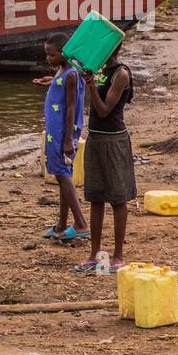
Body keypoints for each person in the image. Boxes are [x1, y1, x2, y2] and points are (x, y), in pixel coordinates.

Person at [75, 43, 136, 274]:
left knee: (118, 198)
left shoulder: (120, 74)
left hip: (113, 141)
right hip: (96, 139)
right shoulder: (102, 72)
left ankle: (118, 256)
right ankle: (95, 255)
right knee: (96, 197)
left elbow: (102, 110)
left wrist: (90, 84)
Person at [39, 33, 88, 242]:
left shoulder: (70, 75)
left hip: (61, 132)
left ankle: (80, 223)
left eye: (51, 55)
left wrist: (68, 139)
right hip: (56, 131)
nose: (48, 59)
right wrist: (51, 82)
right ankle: (61, 223)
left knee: (62, 174)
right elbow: (62, 86)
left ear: (64, 53)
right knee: (62, 174)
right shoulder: (65, 71)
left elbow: (70, 107)